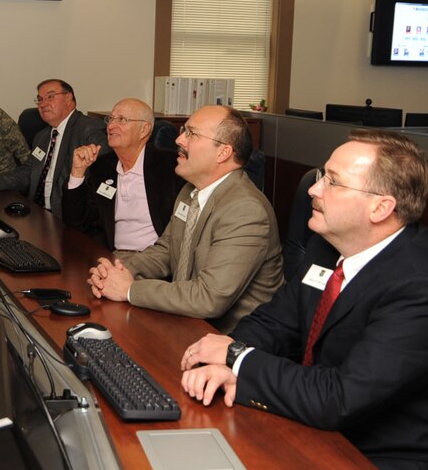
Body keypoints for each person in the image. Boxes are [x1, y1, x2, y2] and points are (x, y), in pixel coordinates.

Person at [179, 129, 428, 470]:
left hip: (399, 460)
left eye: (333, 181)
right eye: (321, 175)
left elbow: (341, 397)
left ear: (380, 208)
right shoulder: (327, 247)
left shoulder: (422, 289)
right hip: (331, 425)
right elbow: (276, 322)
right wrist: (224, 360)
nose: (314, 190)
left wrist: (238, 359)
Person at [88, 105, 283, 331]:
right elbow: (166, 250)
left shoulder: (245, 210)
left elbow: (209, 298)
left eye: (192, 133)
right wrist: (117, 271)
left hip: (230, 336)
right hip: (185, 320)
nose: (179, 140)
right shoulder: (190, 191)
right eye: (183, 131)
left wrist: (129, 290)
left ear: (223, 153)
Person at [0, 79, 106, 214]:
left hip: (68, 217)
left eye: (50, 97)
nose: (43, 104)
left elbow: (100, 181)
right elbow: (29, 172)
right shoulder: (42, 136)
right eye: (40, 99)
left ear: (69, 98)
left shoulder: (90, 129)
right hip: (36, 212)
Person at [61, 98, 182, 251]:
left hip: (155, 257)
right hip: (111, 255)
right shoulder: (102, 167)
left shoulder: (171, 166)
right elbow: (76, 222)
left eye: (122, 119)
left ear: (144, 129)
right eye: (110, 119)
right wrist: (77, 172)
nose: (111, 126)